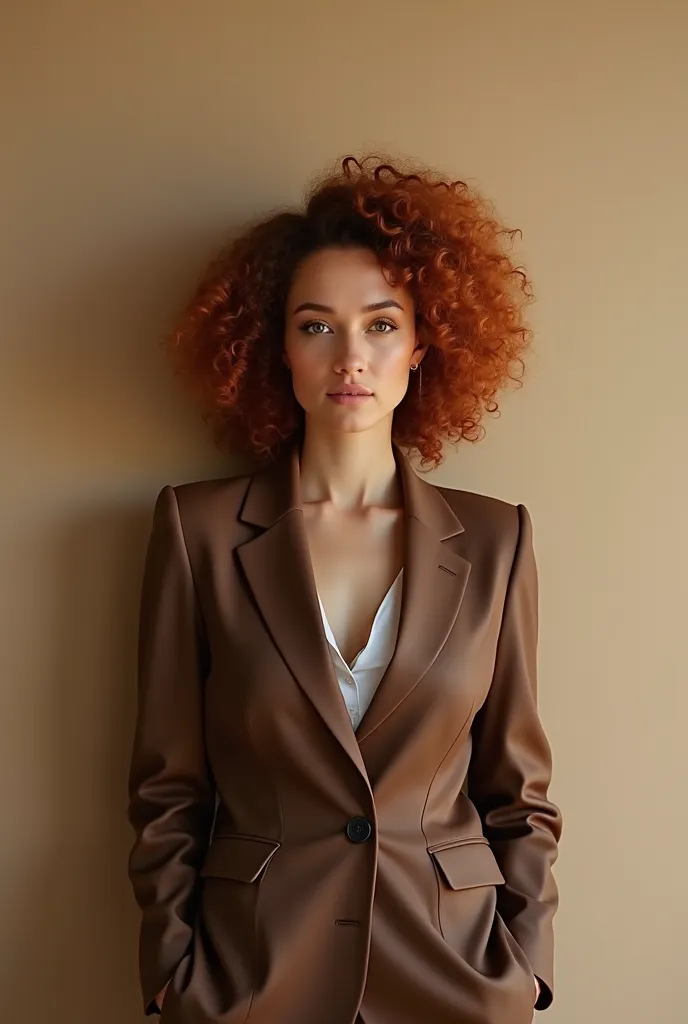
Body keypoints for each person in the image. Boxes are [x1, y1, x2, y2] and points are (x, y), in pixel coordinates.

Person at [127, 153, 562, 1024]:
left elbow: (517, 791)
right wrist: (175, 973)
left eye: (381, 323)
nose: (351, 357)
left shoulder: (494, 539)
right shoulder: (197, 531)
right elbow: (168, 788)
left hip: (453, 975)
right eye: (316, 326)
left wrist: (526, 971)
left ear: (422, 344)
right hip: (252, 977)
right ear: (274, 347)